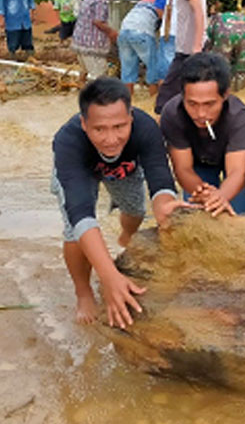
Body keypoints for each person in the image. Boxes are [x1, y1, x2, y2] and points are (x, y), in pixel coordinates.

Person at [52, 77, 189, 327]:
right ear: (84, 124)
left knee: (136, 210)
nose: (111, 138)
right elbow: (81, 214)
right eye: (99, 129)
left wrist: (166, 206)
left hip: (124, 168)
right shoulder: (67, 141)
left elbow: (160, 179)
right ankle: (83, 292)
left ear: (131, 119)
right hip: (80, 173)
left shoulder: (146, 128)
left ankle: (126, 236)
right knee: (74, 232)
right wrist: (109, 277)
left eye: (119, 126)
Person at [159, 52, 245, 215]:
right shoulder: (172, 114)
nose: (201, 113)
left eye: (209, 104)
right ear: (182, 95)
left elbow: (237, 171)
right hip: (198, 163)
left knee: (239, 214)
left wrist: (221, 196)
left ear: (225, 95)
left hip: (231, 160)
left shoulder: (239, 117)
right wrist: (203, 194)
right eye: (192, 104)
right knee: (199, 212)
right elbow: (182, 169)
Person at [154, 0, 206, 113]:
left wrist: (197, 46)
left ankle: (160, 124)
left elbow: (198, 12)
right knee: (182, 87)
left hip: (188, 49)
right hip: (186, 47)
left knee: (167, 91)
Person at [71, 0, 117, 81]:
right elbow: (98, 22)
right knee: (99, 75)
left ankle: (82, 89)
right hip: (91, 46)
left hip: (80, 42)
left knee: (86, 70)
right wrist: (112, 33)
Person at [116, 0, 163, 97]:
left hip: (124, 30)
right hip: (142, 31)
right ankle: (153, 100)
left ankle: (128, 100)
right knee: (153, 66)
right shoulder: (162, 1)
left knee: (127, 68)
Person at [206, 9, 245, 91]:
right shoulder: (244, 18)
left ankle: (220, 89)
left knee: (220, 63)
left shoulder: (216, 18)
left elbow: (210, 38)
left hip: (224, 34)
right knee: (241, 64)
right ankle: (239, 90)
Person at [152, 0, 180, 84]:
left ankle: (164, 98)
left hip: (170, 31)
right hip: (185, 34)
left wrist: (163, 19)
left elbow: (159, 6)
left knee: (165, 71)